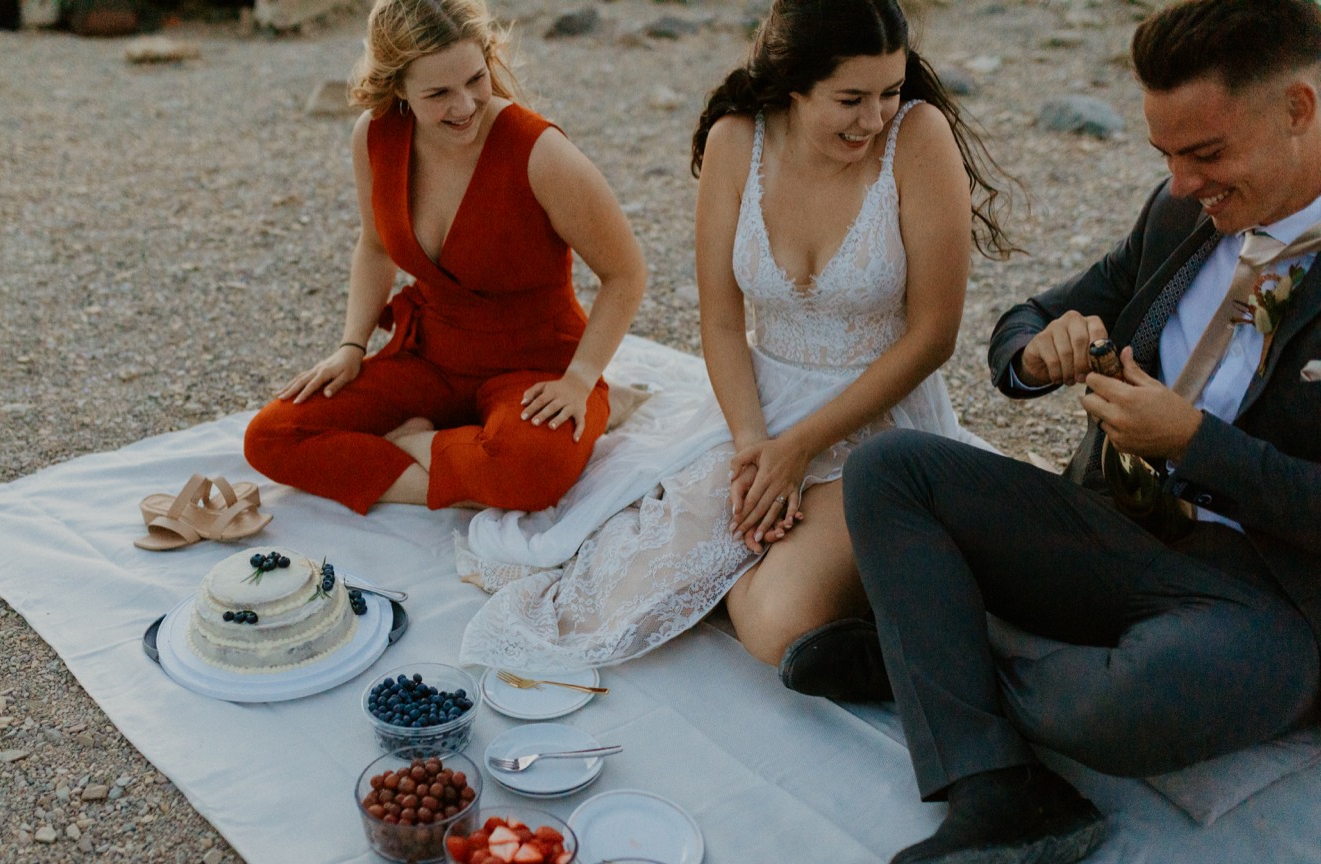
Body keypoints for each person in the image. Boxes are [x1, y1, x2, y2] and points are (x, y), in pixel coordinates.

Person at [835, 0, 1321, 864]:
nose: (1181, 184)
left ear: (1298, 108)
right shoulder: (1180, 212)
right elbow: (1023, 321)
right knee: (890, 469)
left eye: (1206, 154)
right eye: (1164, 157)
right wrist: (1036, 350)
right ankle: (1002, 793)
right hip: (1112, 528)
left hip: (1270, 597)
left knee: (1141, 701)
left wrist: (1196, 444)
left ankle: (930, 662)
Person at [456, 0, 1014, 674]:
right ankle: (811, 567)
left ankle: (856, 577)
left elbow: (933, 336)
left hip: (882, 422)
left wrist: (797, 454)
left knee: (776, 626)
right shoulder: (736, 141)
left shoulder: (918, 138)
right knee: (615, 586)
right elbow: (720, 319)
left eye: (890, 92)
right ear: (793, 83)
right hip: (760, 406)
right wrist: (755, 448)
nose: (875, 118)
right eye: (851, 99)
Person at [243, 0, 646, 515]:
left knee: (530, 472)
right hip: (429, 355)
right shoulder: (375, 135)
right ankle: (461, 458)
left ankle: (415, 445)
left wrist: (580, 379)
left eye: (476, 79)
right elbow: (373, 245)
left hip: (537, 363)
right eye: (438, 93)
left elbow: (625, 273)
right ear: (398, 89)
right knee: (271, 437)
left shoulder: (541, 153)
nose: (465, 105)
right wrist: (351, 344)